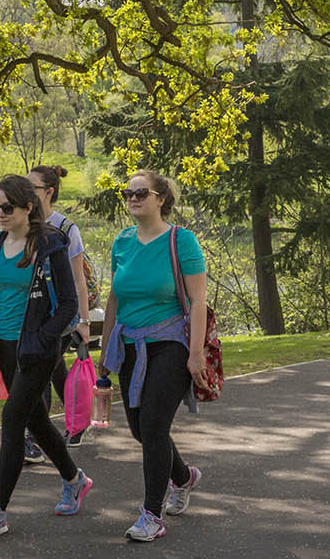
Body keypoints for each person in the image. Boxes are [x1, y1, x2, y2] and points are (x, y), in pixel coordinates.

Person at [0, 175, 92, 538]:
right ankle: (74, 479)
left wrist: (43, 338)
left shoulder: (50, 244)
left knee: (12, 420)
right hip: (5, 347)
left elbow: (68, 303)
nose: (0, 214)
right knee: (35, 420)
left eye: (7, 207)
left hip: (37, 350)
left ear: (27, 207)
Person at [99, 170, 207, 542]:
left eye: (141, 192)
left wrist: (194, 354)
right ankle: (183, 476)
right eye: (127, 193)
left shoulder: (182, 241)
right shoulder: (123, 242)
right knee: (139, 428)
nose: (132, 198)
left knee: (155, 424)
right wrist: (105, 351)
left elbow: (197, 303)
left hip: (171, 344)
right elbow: (114, 298)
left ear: (161, 198)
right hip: (129, 344)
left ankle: (151, 515)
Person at [28, 165, 97, 448]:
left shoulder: (67, 229)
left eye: (31, 188)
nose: (25, 193)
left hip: (62, 315)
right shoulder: (23, 224)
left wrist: (83, 321)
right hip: (32, 315)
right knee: (54, 371)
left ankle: (34, 440)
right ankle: (77, 421)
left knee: (39, 374)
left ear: (48, 192)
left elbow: (79, 280)